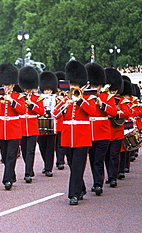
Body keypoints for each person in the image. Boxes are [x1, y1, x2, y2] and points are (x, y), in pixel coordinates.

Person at [53, 60, 95, 205]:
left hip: (82, 136)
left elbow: (92, 111)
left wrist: (80, 100)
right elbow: (55, 114)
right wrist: (65, 105)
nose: (73, 87)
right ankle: (81, 187)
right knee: (72, 165)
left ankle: (73, 194)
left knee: (77, 165)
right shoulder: (65, 97)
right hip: (67, 136)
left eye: (75, 85)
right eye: (72, 84)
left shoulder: (88, 98)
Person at [85, 62, 117, 196]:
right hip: (89, 133)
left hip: (103, 133)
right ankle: (96, 180)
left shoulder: (107, 97)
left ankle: (98, 184)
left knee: (98, 159)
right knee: (92, 159)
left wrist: (101, 104)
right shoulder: (85, 96)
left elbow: (113, 112)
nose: (94, 88)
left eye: (96, 85)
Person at [0, 63, 26, 190]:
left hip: (14, 129)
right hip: (1, 129)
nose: (6, 87)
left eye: (8, 85)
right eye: (4, 85)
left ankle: (7, 179)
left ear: (13, 85)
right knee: (4, 154)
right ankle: (11, 174)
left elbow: (22, 110)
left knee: (11, 155)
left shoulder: (18, 97)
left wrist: (11, 101)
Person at [18, 66, 45, 183]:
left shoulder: (37, 98)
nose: (28, 90)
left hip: (33, 127)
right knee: (24, 150)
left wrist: (32, 105)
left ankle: (28, 172)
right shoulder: (19, 98)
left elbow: (42, 111)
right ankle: (29, 168)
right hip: (22, 127)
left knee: (30, 150)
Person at [104, 68, 129, 188]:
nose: (113, 92)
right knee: (107, 155)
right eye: (111, 89)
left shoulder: (121, 100)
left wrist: (116, 113)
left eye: (114, 90)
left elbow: (127, 112)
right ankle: (109, 175)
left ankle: (113, 177)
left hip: (117, 131)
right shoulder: (104, 99)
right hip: (106, 131)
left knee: (114, 155)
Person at [37, 71, 58, 178]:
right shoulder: (39, 98)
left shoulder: (56, 98)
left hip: (52, 124)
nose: (47, 92)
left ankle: (49, 167)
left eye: (49, 90)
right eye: (45, 90)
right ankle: (46, 163)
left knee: (50, 147)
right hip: (40, 124)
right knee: (42, 146)